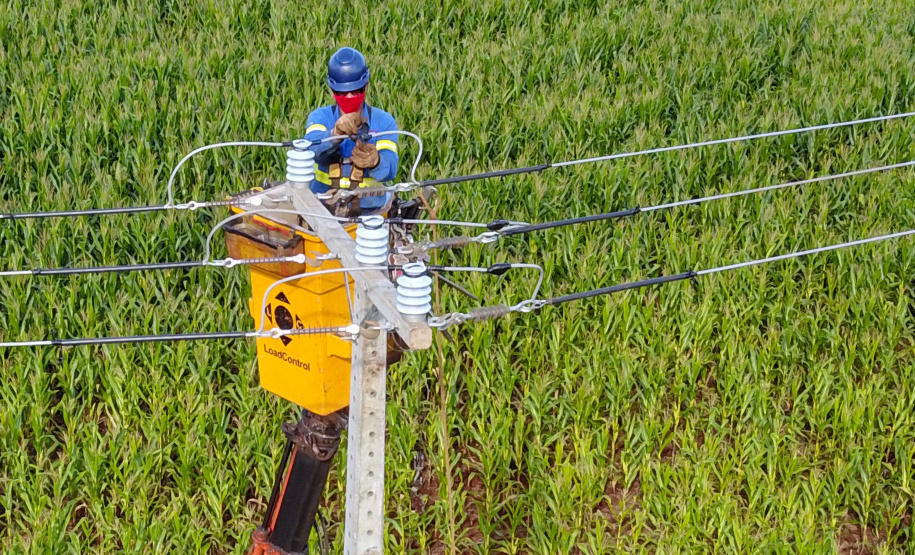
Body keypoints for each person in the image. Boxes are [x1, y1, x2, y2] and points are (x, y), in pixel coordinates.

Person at [304, 47, 398, 215]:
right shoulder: (320, 117)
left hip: (370, 213)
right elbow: (310, 149)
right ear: (332, 90)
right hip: (323, 212)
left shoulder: (384, 122)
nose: (348, 97)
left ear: (366, 86)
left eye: (355, 91)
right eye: (342, 93)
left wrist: (376, 161)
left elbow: (391, 167)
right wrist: (334, 134)